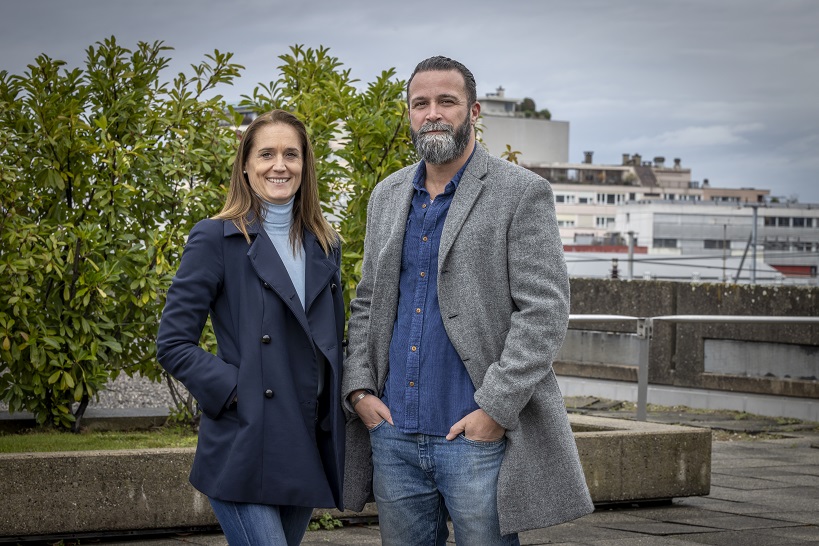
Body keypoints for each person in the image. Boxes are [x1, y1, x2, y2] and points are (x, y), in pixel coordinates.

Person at [342, 56, 594, 545]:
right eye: (421, 103)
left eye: (446, 101)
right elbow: (367, 301)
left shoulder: (521, 192)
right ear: (409, 113)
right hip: (393, 434)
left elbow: (543, 312)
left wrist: (495, 411)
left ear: (473, 111)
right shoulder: (387, 195)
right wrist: (359, 391)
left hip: (475, 435)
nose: (433, 113)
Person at [156, 109, 345, 546]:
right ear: (245, 164)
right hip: (247, 437)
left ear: (305, 166)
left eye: (291, 155)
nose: (280, 165)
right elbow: (173, 343)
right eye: (266, 154)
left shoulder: (325, 245)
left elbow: (330, 341)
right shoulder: (214, 239)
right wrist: (239, 391)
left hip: (306, 439)